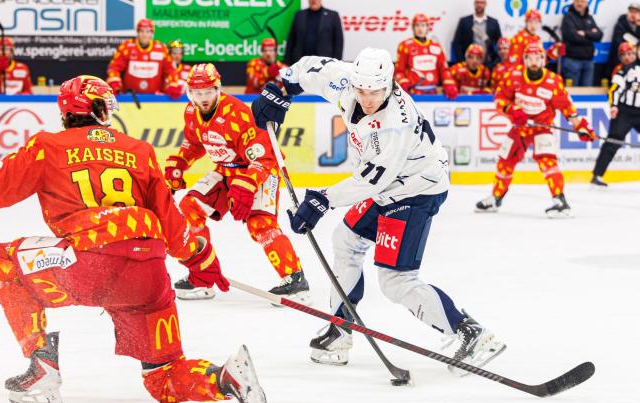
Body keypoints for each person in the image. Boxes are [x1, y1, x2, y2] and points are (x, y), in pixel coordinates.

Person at [0, 75, 267, 403]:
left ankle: (42, 371)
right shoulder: (139, 151)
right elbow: (173, 225)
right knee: (163, 378)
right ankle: (226, 378)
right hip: (148, 272)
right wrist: (199, 259)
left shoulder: (49, 146)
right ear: (99, 110)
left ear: (66, 112)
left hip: (89, 264)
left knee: (2, 258)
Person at [251, 48, 506, 371]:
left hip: (416, 189)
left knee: (396, 281)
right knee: (345, 240)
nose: (367, 99)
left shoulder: (396, 124)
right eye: (361, 91)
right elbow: (308, 67)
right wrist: (280, 89)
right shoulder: (346, 82)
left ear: (389, 84)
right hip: (385, 186)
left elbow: (372, 180)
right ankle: (341, 328)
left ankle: (472, 334)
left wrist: (321, 200)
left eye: (375, 92)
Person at [164, 63, 308, 301]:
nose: (203, 98)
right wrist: (179, 163)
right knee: (191, 207)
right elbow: (194, 143)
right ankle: (202, 273)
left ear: (218, 89)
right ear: (190, 93)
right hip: (227, 170)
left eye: (208, 91)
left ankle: (295, 278)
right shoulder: (191, 112)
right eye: (197, 93)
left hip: (261, 170)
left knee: (260, 223)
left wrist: (248, 184)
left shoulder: (238, 113)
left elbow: (264, 156)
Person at [475, 43, 596, 217]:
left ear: (543, 60)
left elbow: (567, 107)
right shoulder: (513, 77)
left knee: (547, 161)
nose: (533, 62)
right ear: (524, 60)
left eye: (538, 58)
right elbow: (499, 99)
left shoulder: (553, 81)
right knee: (505, 160)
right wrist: (511, 109)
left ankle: (560, 201)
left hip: (542, 128)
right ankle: (496, 197)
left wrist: (581, 126)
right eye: (529, 58)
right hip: (520, 127)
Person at [593, 49, 640, 188]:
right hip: (624, 111)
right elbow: (613, 89)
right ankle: (597, 175)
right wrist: (613, 105)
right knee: (613, 142)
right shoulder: (626, 69)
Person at [106, 19, 182, 98]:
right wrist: (114, 81)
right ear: (137, 32)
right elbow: (114, 67)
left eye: (148, 32)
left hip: (155, 98)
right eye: (142, 31)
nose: (145, 35)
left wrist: (173, 84)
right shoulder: (126, 46)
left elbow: (171, 70)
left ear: (152, 33)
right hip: (130, 98)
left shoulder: (161, 49)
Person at [394, 13, 459, 99]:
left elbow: (444, 69)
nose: (420, 28)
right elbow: (399, 71)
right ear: (413, 28)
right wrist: (403, 83)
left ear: (428, 27)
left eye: (423, 25)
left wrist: (449, 83)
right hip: (413, 93)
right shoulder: (405, 45)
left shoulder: (436, 46)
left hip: (434, 92)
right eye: (417, 25)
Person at [284, 0, 343, 66]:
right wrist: (287, 62)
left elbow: (338, 41)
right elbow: (291, 40)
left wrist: (337, 63)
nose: (313, 0)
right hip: (301, 62)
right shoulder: (299, 15)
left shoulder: (333, 16)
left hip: (324, 63)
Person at [561, 0, 603, 87]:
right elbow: (573, 37)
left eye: (582, 1)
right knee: (572, 94)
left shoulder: (589, 18)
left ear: (587, 3)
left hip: (588, 61)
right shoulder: (568, 17)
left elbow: (599, 35)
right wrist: (591, 35)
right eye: (577, 1)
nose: (579, 4)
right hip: (572, 61)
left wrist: (585, 33)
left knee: (587, 95)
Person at [450, 0, 502, 68]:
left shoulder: (494, 23)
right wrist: (462, 62)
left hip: (488, 64)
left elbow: (500, 44)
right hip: (468, 65)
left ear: (485, 4)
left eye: (482, 2)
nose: (479, 5)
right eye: (477, 2)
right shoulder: (464, 21)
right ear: (474, 4)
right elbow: (456, 43)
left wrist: (495, 62)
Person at [606, 3, 640, 77]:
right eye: (631, 12)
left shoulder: (638, 26)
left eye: (636, 12)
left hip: (636, 64)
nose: (633, 15)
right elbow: (618, 43)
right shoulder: (620, 24)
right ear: (627, 12)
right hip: (621, 63)